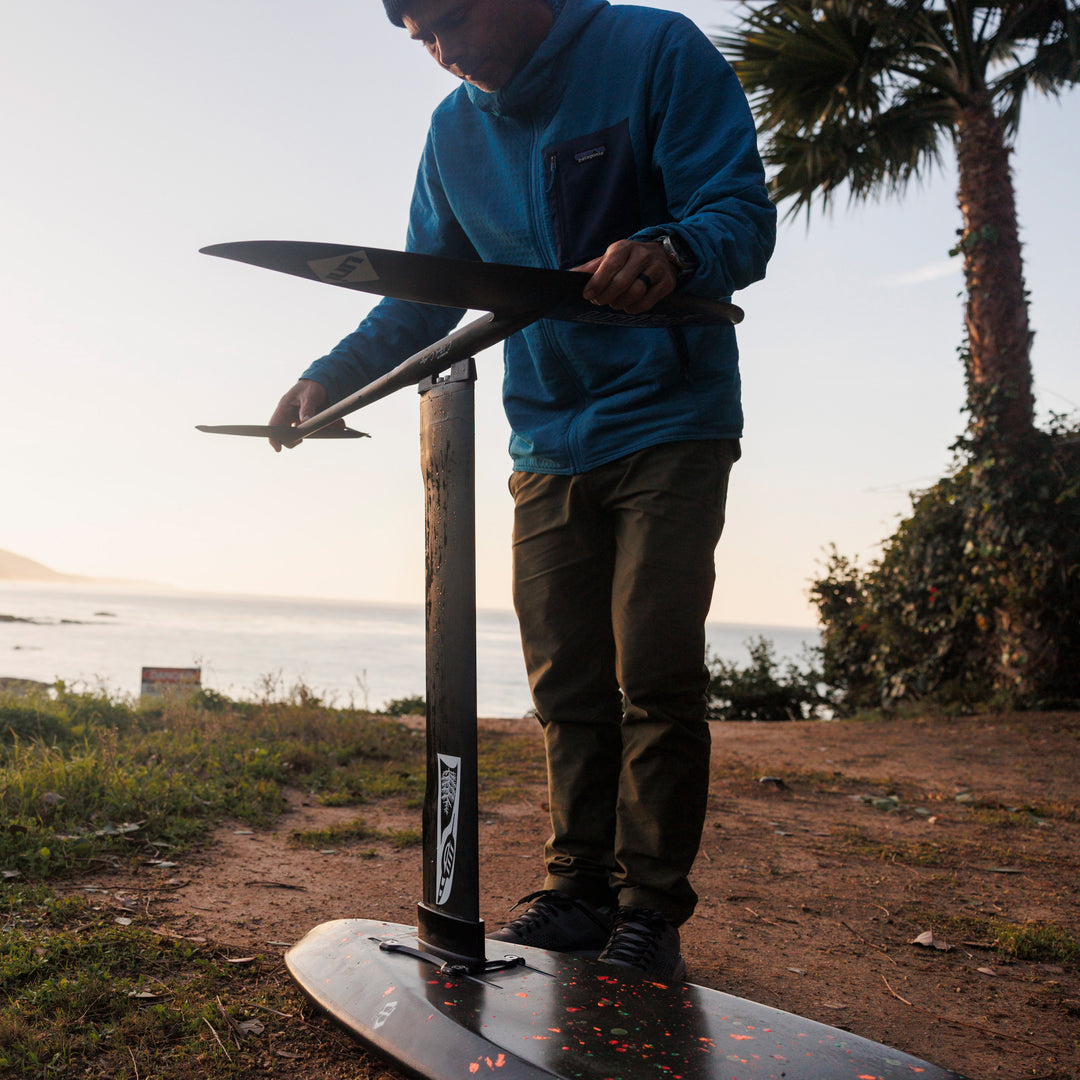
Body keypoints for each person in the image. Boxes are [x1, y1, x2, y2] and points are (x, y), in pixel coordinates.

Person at [269, 0, 775, 981]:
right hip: (545, 435)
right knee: (564, 678)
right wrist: (328, 377)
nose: (444, 53)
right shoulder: (455, 134)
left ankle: (648, 910)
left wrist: (671, 251)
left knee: (654, 667)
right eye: (422, 40)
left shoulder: (651, 51)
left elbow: (738, 213)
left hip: (669, 416)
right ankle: (580, 888)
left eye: (452, 21)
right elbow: (424, 293)